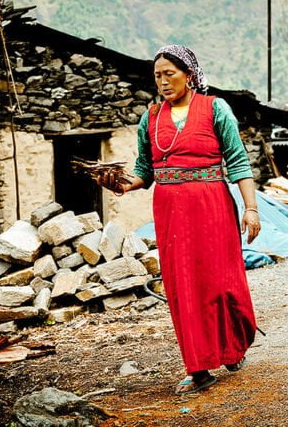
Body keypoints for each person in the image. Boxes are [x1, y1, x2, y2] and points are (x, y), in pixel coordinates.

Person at [98, 45, 260, 395]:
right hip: (171, 211)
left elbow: (239, 162)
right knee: (183, 286)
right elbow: (144, 170)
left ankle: (233, 345)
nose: (163, 81)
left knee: (221, 282)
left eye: (169, 73)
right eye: (157, 75)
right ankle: (198, 367)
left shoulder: (216, 109)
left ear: (189, 74)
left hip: (212, 205)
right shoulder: (151, 118)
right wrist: (120, 183)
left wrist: (251, 209)